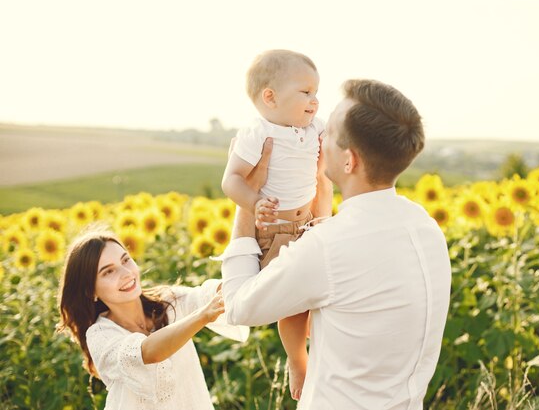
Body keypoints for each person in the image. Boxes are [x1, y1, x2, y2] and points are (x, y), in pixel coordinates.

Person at [220, 79, 452, 409]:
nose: (318, 138)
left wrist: (247, 202)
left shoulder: (328, 246)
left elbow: (240, 307)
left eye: (326, 132)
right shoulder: (425, 228)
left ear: (349, 161)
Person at [221, 49, 332, 399]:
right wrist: (255, 203)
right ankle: (297, 360)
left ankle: (317, 351)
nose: (314, 101)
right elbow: (232, 180)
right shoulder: (257, 132)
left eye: (316, 92)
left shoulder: (315, 127)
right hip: (276, 229)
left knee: (321, 296)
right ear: (270, 97)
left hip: (310, 224)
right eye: (305, 92)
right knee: (294, 302)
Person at [57, 226, 249, 410]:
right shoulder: (101, 335)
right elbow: (148, 352)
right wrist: (203, 315)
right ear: (90, 291)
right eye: (108, 271)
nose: (126, 273)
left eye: (125, 260)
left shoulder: (169, 301)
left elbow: (207, 294)